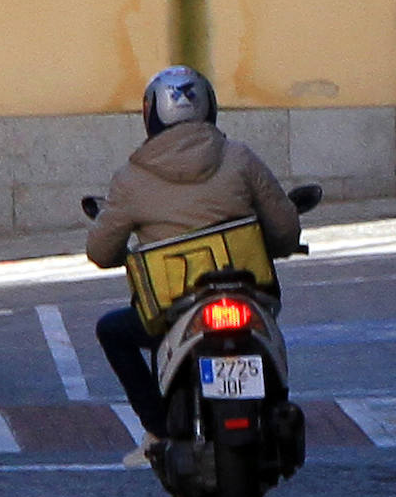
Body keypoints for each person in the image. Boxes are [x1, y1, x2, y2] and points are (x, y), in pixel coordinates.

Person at [86, 65, 301, 467]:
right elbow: (286, 229)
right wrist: (280, 244)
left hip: (174, 306)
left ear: (151, 113)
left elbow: (100, 252)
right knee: (270, 325)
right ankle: (276, 406)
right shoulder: (240, 158)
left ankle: (158, 430)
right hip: (246, 291)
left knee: (112, 331)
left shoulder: (130, 179)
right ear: (208, 106)